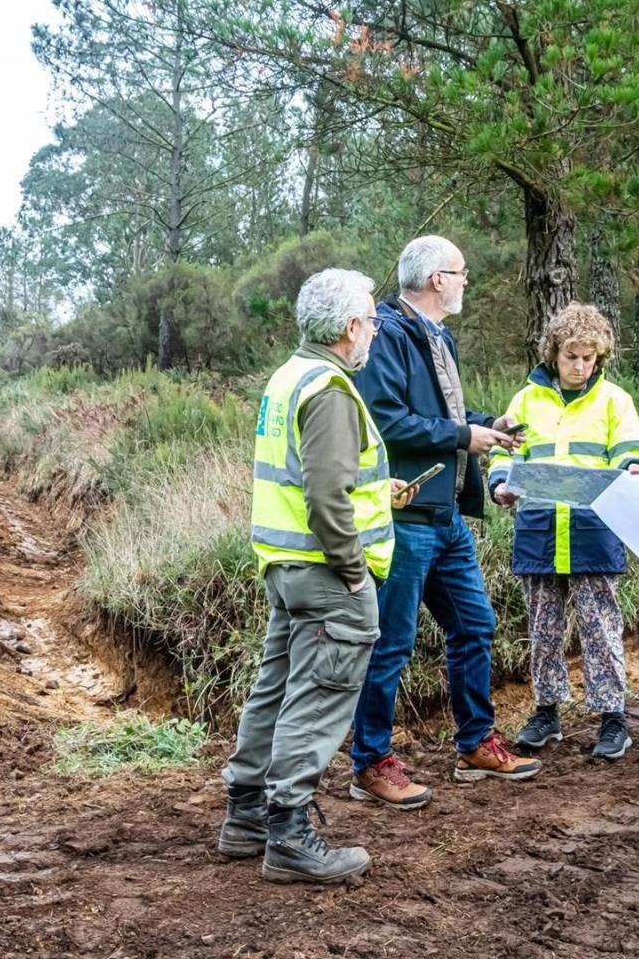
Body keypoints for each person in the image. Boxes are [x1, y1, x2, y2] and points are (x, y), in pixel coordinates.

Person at [218, 268, 417, 884]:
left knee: (274, 691)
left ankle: (246, 816)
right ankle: (290, 836)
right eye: (373, 322)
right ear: (351, 326)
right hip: (329, 575)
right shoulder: (330, 388)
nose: (376, 332)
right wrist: (355, 572)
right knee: (318, 699)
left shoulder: (288, 377)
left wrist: (377, 494)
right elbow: (326, 494)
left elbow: (318, 478)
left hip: (287, 568)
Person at [348, 235, 540, 810]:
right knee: (392, 644)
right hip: (405, 518)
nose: (465, 283)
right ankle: (369, 763)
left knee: (475, 626)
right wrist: (464, 436)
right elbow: (386, 420)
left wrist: (490, 424)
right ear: (437, 280)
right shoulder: (386, 334)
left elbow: (443, 416)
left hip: (447, 517)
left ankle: (476, 743)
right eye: (460, 274)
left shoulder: (438, 336)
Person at [487, 302, 639, 760]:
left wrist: (635, 468)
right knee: (543, 628)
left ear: (600, 357)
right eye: (572, 357)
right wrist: (500, 483)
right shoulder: (525, 400)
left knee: (600, 626)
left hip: (593, 530)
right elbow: (503, 455)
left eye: (589, 358)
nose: (581, 366)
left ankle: (612, 717)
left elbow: (631, 452)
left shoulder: (615, 400)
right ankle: (547, 712)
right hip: (538, 530)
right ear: (553, 354)